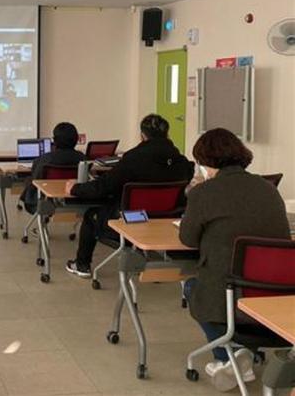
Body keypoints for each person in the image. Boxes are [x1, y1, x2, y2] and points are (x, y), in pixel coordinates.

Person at [180, 128, 291, 391]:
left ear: (205, 162)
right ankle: (242, 353)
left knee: (192, 287)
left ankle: (229, 355)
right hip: (276, 291)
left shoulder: (203, 193)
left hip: (229, 292)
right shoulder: (268, 188)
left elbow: (188, 239)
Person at [65, 114, 194, 277]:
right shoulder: (182, 163)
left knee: (92, 215)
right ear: (167, 134)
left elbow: (104, 187)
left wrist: (75, 188)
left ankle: (82, 265)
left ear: (142, 136)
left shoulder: (133, 159)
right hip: (165, 224)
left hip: (131, 220)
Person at [22, 123, 86, 214]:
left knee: (29, 181)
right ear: (76, 139)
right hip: (76, 200)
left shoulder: (44, 159)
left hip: (47, 201)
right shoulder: (83, 159)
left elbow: (36, 182)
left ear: (55, 141)